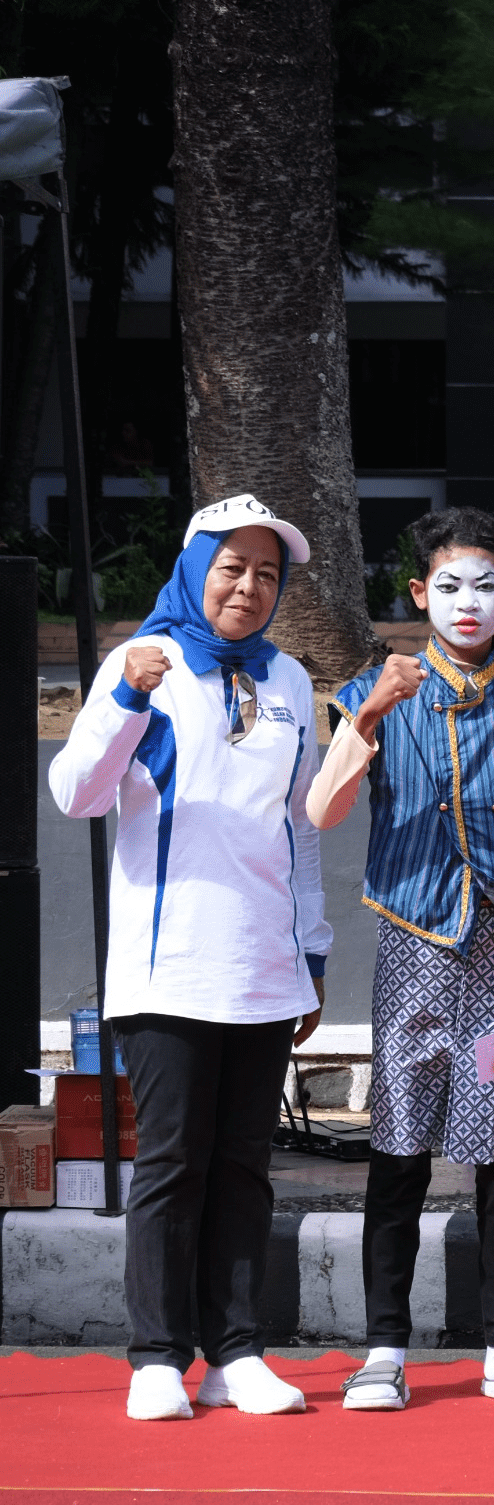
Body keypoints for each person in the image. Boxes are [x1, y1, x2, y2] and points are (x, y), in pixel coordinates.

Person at [49, 495, 330, 1421]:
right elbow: (76, 795)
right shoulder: (146, 665)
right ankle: (157, 1358)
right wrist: (125, 695)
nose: (247, 587)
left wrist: (312, 950)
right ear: (195, 566)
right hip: (168, 970)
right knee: (171, 1165)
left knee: (247, 1165)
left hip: (263, 967)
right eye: (230, 567)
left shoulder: (289, 680)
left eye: (264, 573)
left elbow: (300, 826)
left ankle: (238, 1351)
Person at [308, 508, 494, 1412]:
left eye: (488, 584)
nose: (469, 603)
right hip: (415, 946)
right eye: (449, 585)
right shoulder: (374, 690)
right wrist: (368, 717)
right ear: (418, 594)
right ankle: (384, 1346)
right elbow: (324, 811)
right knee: (400, 1152)